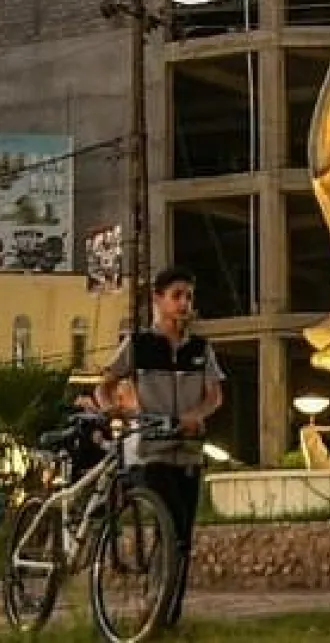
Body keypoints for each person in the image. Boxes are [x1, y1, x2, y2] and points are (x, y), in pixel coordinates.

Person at [96, 266, 225, 629]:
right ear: (158, 299)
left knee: (182, 536)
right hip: (151, 450)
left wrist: (196, 414)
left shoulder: (201, 349)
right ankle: (154, 603)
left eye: (188, 297)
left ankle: (168, 614)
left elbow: (215, 394)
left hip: (189, 451)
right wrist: (113, 409)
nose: (184, 304)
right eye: (177, 296)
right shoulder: (138, 345)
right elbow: (104, 385)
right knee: (166, 521)